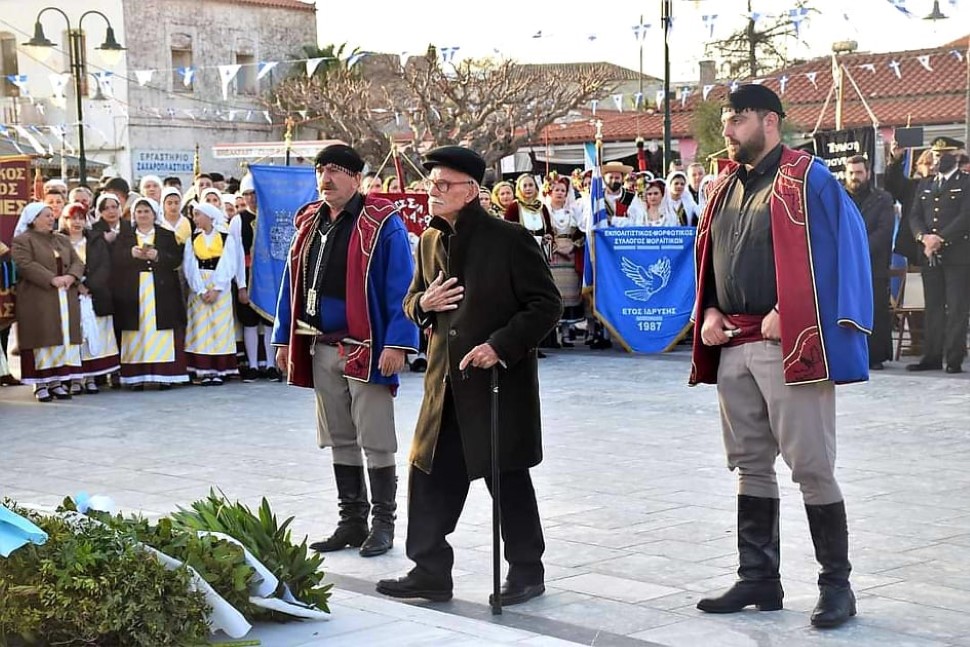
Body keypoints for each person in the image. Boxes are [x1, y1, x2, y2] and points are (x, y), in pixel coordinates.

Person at [690, 84, 872, 629]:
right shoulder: (724, 186)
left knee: (811, 466)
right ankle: (758, 579)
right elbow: (713, 255)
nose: (727, 129)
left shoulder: (809, 178)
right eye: (727, 119)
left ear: (770, 121)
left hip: (790, 345)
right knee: (748, 463)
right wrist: (710, 310)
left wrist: (792, 312)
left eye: (738, 118)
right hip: (733, 343)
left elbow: (843, 251)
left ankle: (837, 588)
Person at [376, 145, 562, 606]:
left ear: (471, 190)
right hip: (444, 385)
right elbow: (412, 299)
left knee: (507, 477)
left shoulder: (510, 239)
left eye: (443, 185)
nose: (433, 192)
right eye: (431, 184)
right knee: (428, 475)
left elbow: (546, 304)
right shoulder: (428, 240)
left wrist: (500, 345)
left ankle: (527, 571)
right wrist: (422, 304)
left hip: (496, 384)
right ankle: (429, 572)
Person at [273, 144, 419, 558]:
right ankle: (351, 521)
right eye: (321, 170)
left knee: (375, 437)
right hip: (320, 344)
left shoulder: (381, 221)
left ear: (356, 178)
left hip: (367, 347)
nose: (326, 178)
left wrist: (398, 343)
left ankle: (383, 524)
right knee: (339, 436)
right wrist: (284, 337)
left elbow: (402, 285)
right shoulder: (309, 221)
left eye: (336, 170)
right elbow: (292, 282)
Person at [906, 137, 970, 374]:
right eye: (935, 154)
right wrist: (923, 237)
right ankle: (931, 356)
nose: (937, 158)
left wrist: (940, 238)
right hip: (929, 254)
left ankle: (953, 359)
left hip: (958, 255)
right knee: (933, 307)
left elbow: (965, 217)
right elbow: (914, 215)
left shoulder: (965, 183)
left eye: (942, 155)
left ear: (956, 156)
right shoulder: (926, 184)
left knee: (956, 308)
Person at [112, 197, 189, 390]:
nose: (143, 215)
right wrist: (130, 254)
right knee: (136, 333)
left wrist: (158, 256)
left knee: (160, 333)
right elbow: (114, 259)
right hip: (133, 291)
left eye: (147, 211)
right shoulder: (125, 236)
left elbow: (176, 259)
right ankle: (136, 377)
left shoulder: (166, 235)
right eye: (139, 212)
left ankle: (164, 375)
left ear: (154, 214)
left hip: (161, 290)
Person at [11, 202, 85, 402]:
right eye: (46, 215)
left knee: (61, 338)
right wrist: (51, 279)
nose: (51, 218)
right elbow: (25, 265)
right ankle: (40, 383)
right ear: (33, 219)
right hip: (38, 298)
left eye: (52, 215)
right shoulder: (22, 240)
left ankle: (56, 381)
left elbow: (77, 262)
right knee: (41, 338)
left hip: (64, 296)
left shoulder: (62, 239)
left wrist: (71, 276)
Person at [61, 202, 120, 394]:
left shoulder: (95, 239)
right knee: (73, 336)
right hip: (68, 294)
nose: (77, 222)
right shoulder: (59, 241)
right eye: (73, 218)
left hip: (95, 295)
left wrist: (90, 286)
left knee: (94, 335)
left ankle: (91, 377)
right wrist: (77, 285)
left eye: (81, 218)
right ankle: (75, 378)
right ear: (65, 220)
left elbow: (104, 265)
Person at [844, 155, 895, 370]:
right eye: (851, 173)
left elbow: (884, 232)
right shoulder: (839, 197)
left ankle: (875, 356)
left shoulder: (882, 199)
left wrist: (857, 250)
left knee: (875, 310)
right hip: (845, 266)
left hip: (873, 265)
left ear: (868, 174)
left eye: (859, 172)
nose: (855, 177)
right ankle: (849, 354)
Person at [183, 202, 240, 385]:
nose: (195, 218)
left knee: (219, 328)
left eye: (198, 214)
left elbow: (229, 263)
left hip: (219, 287)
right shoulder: (192, 239)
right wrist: (200, 289)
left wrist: (217, 288)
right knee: (200, 328)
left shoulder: (225, 238)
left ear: (209, 216)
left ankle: (219, 370)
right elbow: (190, 266)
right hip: (199, 287)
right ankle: (203, 370)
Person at [235, 173, 279, 382]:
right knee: (249, 322)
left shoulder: (271, 216)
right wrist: (241, 285)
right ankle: (252, 365)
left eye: (254, 193)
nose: (251, 198)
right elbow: (236, 255)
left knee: (269, 321)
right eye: (246, 194)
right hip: (247, 275)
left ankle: (270, 365)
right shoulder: (238, 220)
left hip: (268, 277)